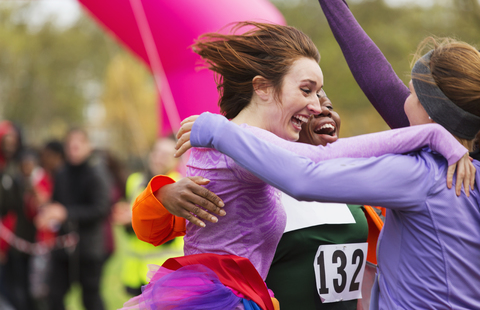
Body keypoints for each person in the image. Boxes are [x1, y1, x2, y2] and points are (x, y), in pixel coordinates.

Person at [127, 22, 469, 310]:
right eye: (308, 92)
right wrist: (163, 194)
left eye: (323, 99)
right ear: (261, 87)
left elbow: (372, 264)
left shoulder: (349, 187)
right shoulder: (248, 151)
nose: (318, 108)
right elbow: (153, 227)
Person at [36, 128, 111, 310]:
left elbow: (101, 209)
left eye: (78, 144)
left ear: (88, 146)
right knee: (54, 295)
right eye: (70, 144)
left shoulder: (96, 172)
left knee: (90, 299)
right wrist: (47, 214)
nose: (74, 148)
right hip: (63, 248)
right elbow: (57, 204)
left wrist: (66, 213)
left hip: (88, 249)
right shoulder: (61, 173)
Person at [112, 136, 183, 297]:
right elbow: (130, 227)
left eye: (165, 155)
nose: (159, 158)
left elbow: (167, 235)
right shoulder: (135, 181)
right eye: (156, 152)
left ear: (177, 160)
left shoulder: (178, 185)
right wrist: (124, 216)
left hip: (163, 274)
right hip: (134, 272)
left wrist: (133, 219)